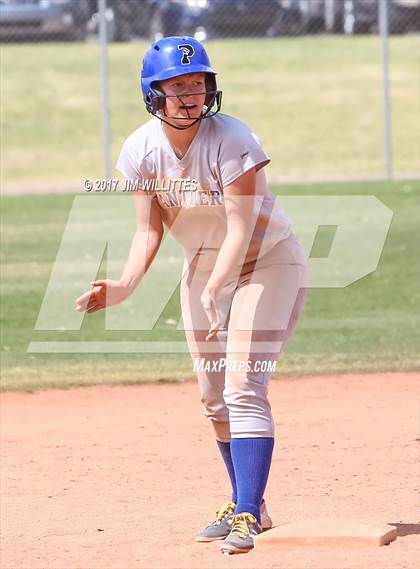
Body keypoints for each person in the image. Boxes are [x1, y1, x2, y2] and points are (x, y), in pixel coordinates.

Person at [75, 36, 308, 555]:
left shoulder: (234, 140)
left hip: (267, 262)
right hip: (205, 268)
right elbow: (148, 231)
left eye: (198, 84)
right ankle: (248, 501)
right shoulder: (140, 150)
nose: (190, 95)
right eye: (177, 85)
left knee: (244, 383)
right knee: (213, 395)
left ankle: (247, 511)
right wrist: (125, 285)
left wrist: (221, 285)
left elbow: (241, 226)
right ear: (152, 92)